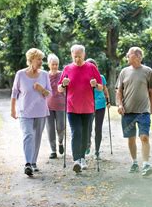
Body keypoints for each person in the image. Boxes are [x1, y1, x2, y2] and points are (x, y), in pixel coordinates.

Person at [58, 45, 103, 173]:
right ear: (72, 55)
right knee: (76, 131)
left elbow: (100, 87)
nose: (77, 59)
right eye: (75, 56)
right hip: (72, 107)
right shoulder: (67, 69)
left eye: (79, 56)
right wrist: (63, 84)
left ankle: (83, 158)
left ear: (84, 55)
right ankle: (76, 160)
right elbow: (60, 89)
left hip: (88, 107)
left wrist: (95, 84)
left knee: (85, 134)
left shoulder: (91, 68)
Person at [11, 48, 51, 177]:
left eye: (41, 59)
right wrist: (12, 109)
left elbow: (50, 94)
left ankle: (33, 162)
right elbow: (14, 92)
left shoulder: (45, 74)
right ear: (31, 60)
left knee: (37, 137)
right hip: (25, 112)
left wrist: (41, 89)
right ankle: (28, 163)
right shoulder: (20, 74)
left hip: (41, 111)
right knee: (28, 135)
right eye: (38, 59)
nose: (41, 62)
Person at [116, 47, 152, 177]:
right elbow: (119, 91)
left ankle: (146, 164)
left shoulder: (148, 71)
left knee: (144, 137)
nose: (127, 57)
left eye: (129, 55)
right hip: (127, 112)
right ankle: (134, 162)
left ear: (137, 56)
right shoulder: (124, 72)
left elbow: (150, 90)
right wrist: (120, 104)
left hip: (143, 111)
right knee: (131, 139)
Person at [85, 58, 110, 160]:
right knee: (88, 128)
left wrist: (108, 101)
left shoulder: (101, 77)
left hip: (100, 105)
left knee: (98, 129)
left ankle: (97, 151)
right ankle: (87, 144)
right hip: (88, 105)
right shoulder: (84, 78)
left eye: (93, 66)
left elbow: (105, 89)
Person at [46, 54, 65, 159]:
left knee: (60, 127)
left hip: (61, 105)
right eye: (53, 64)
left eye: (56, 64)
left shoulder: (62, 74)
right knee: (50, 129)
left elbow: (66, 88)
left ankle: (60, 142)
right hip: (47, 106)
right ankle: (53, 150)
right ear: (49, 64)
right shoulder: (45, 75)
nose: (54, 66)